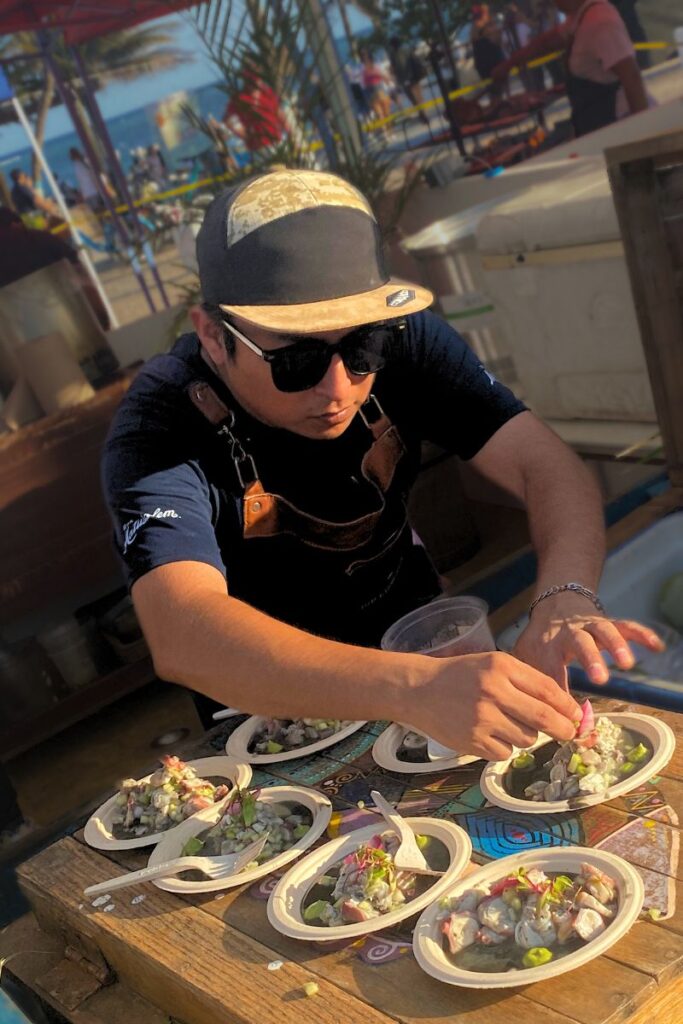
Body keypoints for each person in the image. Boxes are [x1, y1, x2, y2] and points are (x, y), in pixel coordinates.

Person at [101, 167, 661, 758]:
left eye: (363, 348)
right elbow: (182, 630)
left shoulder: (405, 339)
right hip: (273, 712)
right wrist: (408, 688)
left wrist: (564, 596)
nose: (338, 387)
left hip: (419, 645)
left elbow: (541, 462)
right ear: (215, 337)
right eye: (297, 361)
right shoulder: (159, 427)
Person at [492, 0, 651, 136]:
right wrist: (509, 64)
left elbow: (632, 77)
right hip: (599, 123)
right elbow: (548, 42)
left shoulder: (600, 22)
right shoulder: (580, 17)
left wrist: (642, 131)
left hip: (619, 121)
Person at [0, 207, 109, 329]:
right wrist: (101, 317)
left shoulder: (39, 238)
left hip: (25, 329)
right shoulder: (40, 238)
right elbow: (80, 275)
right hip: (70, 315)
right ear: (16, 224)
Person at [222, 71, 286, 156]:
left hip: (277, 141)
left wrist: (290, 132)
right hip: (260, 148)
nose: (258, 83)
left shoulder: (267, 93)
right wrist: (242, 133)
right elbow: (227, 118)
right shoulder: (240, 98)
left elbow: (279, 113)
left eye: (258, 80)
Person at [388, 36, 430, 128]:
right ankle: (424, 114)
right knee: (419, 97)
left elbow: (394, 69)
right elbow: (416, 60)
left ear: (392, 45)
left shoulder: (392, 55)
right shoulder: (407, 50)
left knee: (413, 99)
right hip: (414, 77)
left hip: (405, 80)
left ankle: (422, 114)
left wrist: (396, 79)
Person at [360, 49, 393, 126]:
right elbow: (362, 83)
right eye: (363, 56)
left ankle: (390, 131)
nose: (365, 58)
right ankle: (387, 133)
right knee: (380, 114)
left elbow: (384, 75)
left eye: (366, 55)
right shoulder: (362, 68)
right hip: (372, 90)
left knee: (386, 112)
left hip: (379, 88)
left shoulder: (376, 64)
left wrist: (388, 82)